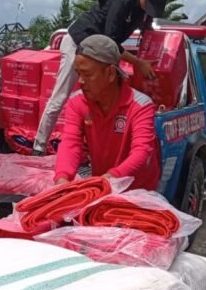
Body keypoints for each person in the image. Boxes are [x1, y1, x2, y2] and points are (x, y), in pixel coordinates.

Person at [33, 0, 172, 155]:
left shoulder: (144, 7)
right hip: (79, 42)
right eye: (149, 4)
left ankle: (100, 149)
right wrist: (138, 63)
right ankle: (39, 146)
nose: (148, 9)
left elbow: (147, 28)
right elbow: (111, 42)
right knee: (61, 96)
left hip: (100, 49)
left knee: (111, 95)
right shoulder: (120, 0)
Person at [54, 35, 160, 191]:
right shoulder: (76, 102)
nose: (81, 81)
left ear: (110, 73)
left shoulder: (140, 105)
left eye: (88, 74)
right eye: (79, 73)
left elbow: (141, 151)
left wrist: (112, 177)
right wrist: (62, 178)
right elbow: (70, 143)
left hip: (138, 189)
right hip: (104, 184)